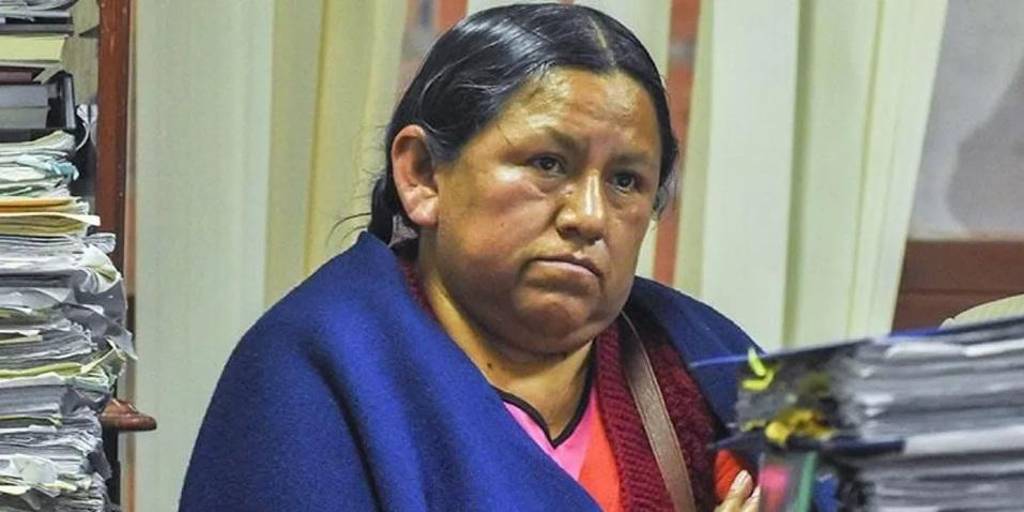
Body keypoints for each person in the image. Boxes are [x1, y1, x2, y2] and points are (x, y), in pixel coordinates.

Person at [180, 4, 762, 511]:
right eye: (547, 164)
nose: (589, 216)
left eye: (626, 181)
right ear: (422, 175)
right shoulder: (315, 376)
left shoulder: (697, 367)